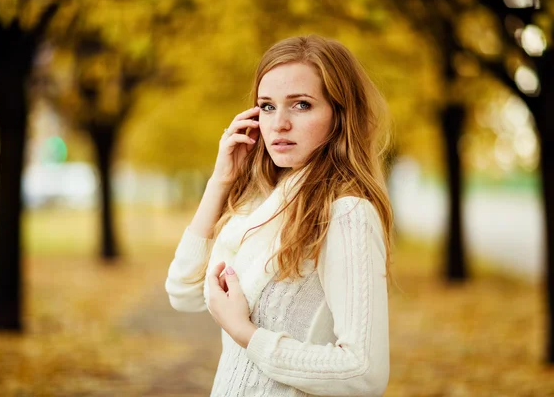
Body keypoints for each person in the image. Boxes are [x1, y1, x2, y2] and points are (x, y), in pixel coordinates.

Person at [165, 34, 393, 396]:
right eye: (267, 106)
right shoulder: (261, 206)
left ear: (340, 114)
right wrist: (220, 180)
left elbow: (363, 372)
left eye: (301, 105)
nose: (279, 124)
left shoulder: (346, 212)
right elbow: (183, 291)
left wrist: (247, 334)